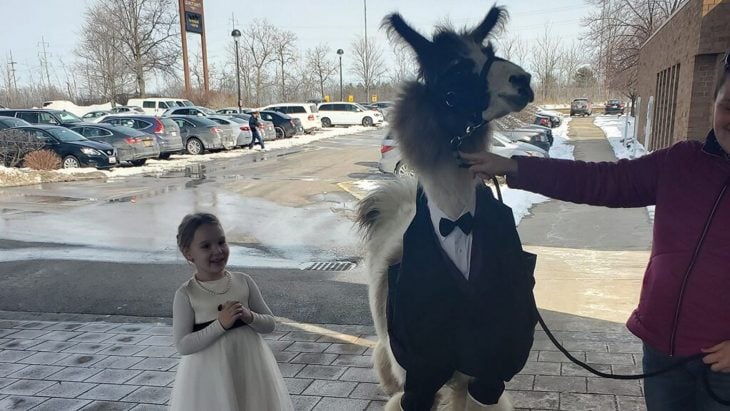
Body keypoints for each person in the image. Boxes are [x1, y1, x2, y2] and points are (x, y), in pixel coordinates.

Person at [461, 51, 730, 410]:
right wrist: (514, 167)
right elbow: (604, 181)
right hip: (662, 350)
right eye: (729, 104)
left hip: (723, 364)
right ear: (714, 101)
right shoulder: (682, 162)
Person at [169, 213, 293, 411]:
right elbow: (183, 345)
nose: (217, 251)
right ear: (188, 253)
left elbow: (270, 324)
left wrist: (249, 316)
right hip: (210, 376)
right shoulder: (186, 294)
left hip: (250, 368)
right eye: (206, 246)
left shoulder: (243, 281)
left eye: (221, 242)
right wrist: (220, 325)